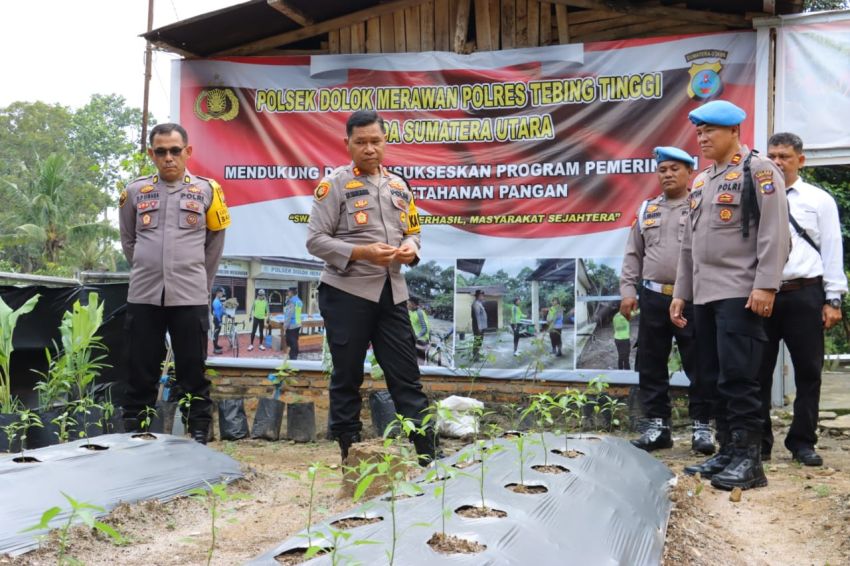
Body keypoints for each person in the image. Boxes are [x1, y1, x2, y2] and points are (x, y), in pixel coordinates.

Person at [670, 100, 790, 490]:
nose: (702, 139)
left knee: (740, 377)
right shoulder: (703, 181)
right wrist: (681, 292)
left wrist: (766, 284)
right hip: (704, 296)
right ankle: (727, 451)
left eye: (710, 131)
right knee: (713, 376)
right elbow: (688, 244)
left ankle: (749, 460)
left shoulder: (759, 170)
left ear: (734, 131)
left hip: (741, 292)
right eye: (699, 132)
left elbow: (775, 232)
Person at [306, 110, 437, 464]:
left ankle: (428, 458)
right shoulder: (332, 185)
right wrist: (361, 252)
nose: (369, 149)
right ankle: (351, 458)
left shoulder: (398, 185)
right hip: (346, 293)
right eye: (360, 142)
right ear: (346, 143)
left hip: (392, 292)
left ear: (385, 142)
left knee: (406, 377)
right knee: (347, 377)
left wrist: (411, 249)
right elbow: (315, 241)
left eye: (375, 141)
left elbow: (413, 230)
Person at [118, 122, 230, 444]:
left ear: (188, 152)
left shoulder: (208, 191)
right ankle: (135, 434)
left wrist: (199, 281)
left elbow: (214, 245)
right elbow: (129, 240)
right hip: (145, 295)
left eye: (175, 151)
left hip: (190, 296)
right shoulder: (136, 192)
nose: (169, 157)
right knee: (140, 369)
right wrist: (147, 267)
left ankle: (197, 435)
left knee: (192, 369)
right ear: (152, 154)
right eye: (161, 151)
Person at [756, 132, 847, 466]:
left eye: (785, 157)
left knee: (809, 371)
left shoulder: (818, 200)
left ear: (801, 160)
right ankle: (759, 442)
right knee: (757, 371)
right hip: (763, 295)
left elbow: (833, 249)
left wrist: (833, 299)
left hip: (806, 294)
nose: (777, 162)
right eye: (772, 156)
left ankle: (802, 442)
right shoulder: (757, 196)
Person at [621, 146, 714, 454]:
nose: (668, 174)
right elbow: (633, 254)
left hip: (692, 298)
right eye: (663, 170)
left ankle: (703, 427)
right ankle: (658, 428)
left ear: (690, 173)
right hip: (652, 297)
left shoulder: (702, 206)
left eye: (676, 169)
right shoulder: (647, 209)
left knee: (700, 363)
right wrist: (628, 291)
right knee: (650, 364)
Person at [283, 287, 302, 360]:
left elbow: (289, 314)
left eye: (289, 292)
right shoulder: (298, 300)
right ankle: (295, 356)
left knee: (291, 342)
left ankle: (293, 358)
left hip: (291, 325)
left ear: (291, 292)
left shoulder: (291, 301)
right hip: (297, 323)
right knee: (295, 341)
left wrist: (285, 325)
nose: (288, 293)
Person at [471, 290, 487, 361]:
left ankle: (477, 353)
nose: (483, 297)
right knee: (477, 341)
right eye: (481, 295)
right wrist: (479, 327)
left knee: (479, 341)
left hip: (481, 326)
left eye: (483, 295)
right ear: (478, 296)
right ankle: (475, 357)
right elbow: (477, 317)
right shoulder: (476, 304)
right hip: (478, 327)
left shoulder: (479, 303)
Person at [211, 288, 225, 355]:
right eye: (221, 293)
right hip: (217, 320)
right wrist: (219, 321)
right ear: (218, 293)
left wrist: (225, 313)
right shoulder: (216, 302)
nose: (222, 294)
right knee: (216, 334)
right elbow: (217, 312)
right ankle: (215, 349)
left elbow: (221, 310)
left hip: (218, 319)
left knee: (217, 333)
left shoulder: (218, 301)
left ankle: (216, 346)